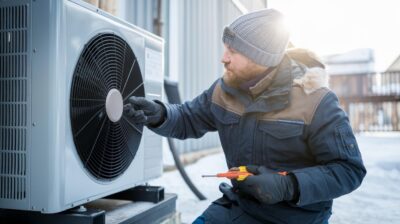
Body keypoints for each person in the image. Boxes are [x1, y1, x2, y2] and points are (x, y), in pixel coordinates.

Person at [124, 8, 366, 224]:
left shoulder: (315, 100)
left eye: (233, 51)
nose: (223, 58)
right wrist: (160, 113)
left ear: (261, 58)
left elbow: (348, 169)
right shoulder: (224, 89)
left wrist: (288, 185)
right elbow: (188, 118)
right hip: (241, 205)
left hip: (297, 216)